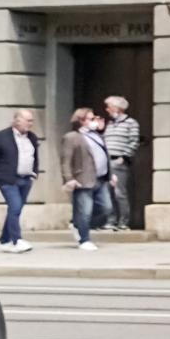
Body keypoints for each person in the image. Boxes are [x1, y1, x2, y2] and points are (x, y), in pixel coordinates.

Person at [0, 108, 43, 254]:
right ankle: (17, 240)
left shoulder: (32, 137)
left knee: (15, 210)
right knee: (15, 206)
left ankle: (4, 240)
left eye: (32, 120)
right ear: (17, 120)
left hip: (25, 178)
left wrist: (34, 172)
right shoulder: (1, 136)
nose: (31, 123)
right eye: (28, 120)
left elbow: (35, 156)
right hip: (7, 178)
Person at [60, 107, 105, 251]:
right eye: (92, 119)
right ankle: (84, 239)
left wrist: (111, 173)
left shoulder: (98, 135)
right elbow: (65, 160)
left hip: (101, 178)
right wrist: (68, 178)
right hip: (83, 178)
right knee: (85, 211)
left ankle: (77, 223)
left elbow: (103, 155)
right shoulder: (72, 137)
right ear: (81, 121)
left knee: (106, 207)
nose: (95, 121)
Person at [100, 95, 140, 230]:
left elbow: (134, 142)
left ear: (118, 108)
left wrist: (123, 157)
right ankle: (111, 221)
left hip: (119, 161)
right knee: (107, 192)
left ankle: (123, 222)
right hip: (107, 162)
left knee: (119, 193)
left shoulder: (131, 123)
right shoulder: (110, 124)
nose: (107, 110)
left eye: (109, 107)